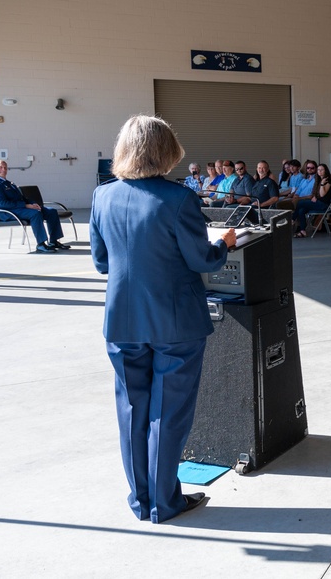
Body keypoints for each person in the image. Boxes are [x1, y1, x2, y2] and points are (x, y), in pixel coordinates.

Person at [90, 114, 235, 524]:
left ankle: (141, 499)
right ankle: (163, 502)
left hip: (122, 320)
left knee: (132, 412)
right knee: (167, 415)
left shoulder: (102, 197)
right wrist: (222, 244)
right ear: (166, 152)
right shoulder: (179, 199)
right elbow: (199, 258)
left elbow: (102, 262)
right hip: (175, 323)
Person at [0, 159, 69, 253]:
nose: (3, 169)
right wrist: (26, 205)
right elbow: (3, 204)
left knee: (51, 211)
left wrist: (33, 204)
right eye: (0, 167)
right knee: (35, 214)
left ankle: (54, 241)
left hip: (19, 209)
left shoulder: (10, 183)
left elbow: (22, 198)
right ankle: (41, 244)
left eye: (5, 167)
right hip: (8, 212)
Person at [294, 163, 331, 235]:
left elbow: (322, 194)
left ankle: (292, 219)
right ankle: (303, 231)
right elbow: (315, 192)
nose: (320, 171)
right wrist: (315, 196)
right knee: (301, 210)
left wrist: (322, 184)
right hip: (318, 202)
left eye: (322, 170)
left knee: (300, 203)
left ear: (325, 171)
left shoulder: (328, 180)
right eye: (318, 170)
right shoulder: (318, 179)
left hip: (324, 204)